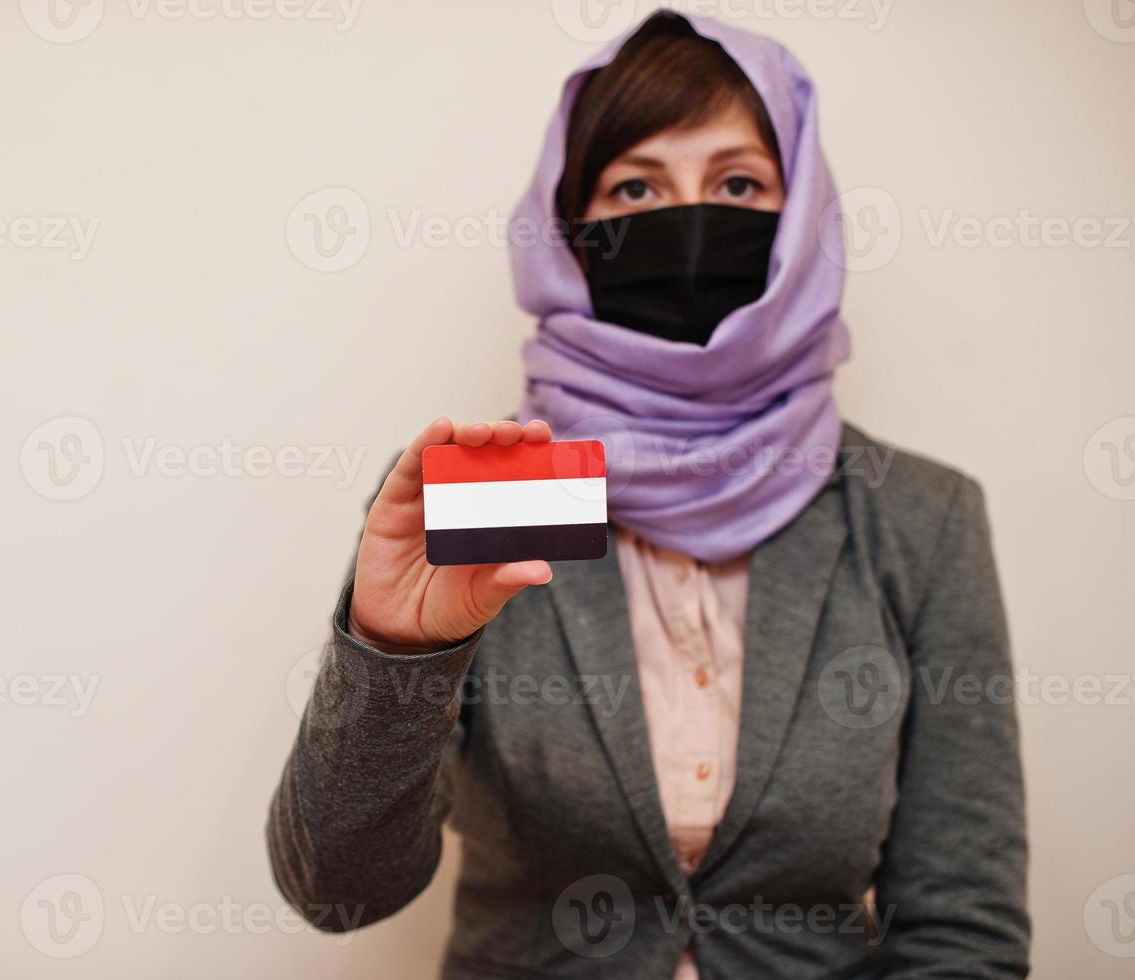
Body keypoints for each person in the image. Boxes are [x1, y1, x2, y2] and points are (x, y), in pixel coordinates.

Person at [267, 10, 1030, 979]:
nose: (688, 220)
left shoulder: (918, 517)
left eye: (739, 183)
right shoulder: (485, 493)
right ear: (572, 232)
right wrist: (397, 650)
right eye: (634, 186)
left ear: (802, 225)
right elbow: (339, 887)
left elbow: (964, 926)